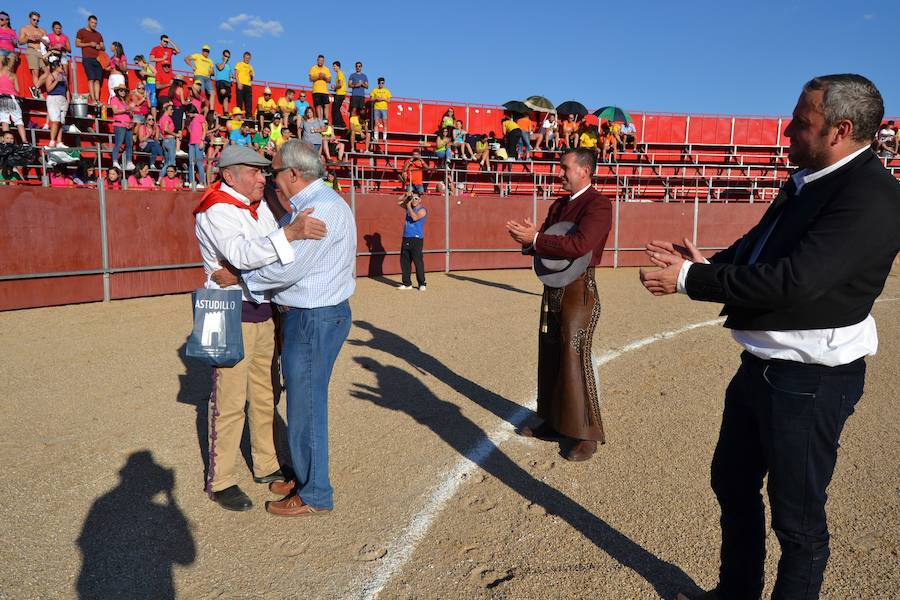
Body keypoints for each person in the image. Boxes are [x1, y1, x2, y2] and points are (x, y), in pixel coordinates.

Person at [636, 75, 900, 600]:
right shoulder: (810, 179)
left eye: (802, 123)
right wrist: (707, 263)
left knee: (798, 522)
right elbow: (757, 247)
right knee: (731, 482)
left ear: (839, 131)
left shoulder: (874, 197)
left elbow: (794, 281)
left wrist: (690, 280)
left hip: (812, 378)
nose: (786, 130)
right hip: (763, 367)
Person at [211, 140, 357, 517]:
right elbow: (279, 255)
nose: (270, 180)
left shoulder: (317, 208)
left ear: (293, 174)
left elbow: (285, 269)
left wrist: (241, 278)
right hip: (315, 315)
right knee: (302, 401)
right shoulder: (319, 204)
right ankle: (308, 479)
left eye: (273, 172)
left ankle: (315, 494)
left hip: (311, 317)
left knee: (306, 406)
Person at [193, 144, 328, 511]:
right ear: (229, 176)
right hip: (227, 312)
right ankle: (221, 480)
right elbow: (245, 255)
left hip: (259, 308)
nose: (262, 178)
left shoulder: (255, 208)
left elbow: (256, 259)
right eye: (253, 172)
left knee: (266, 392)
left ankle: (266, 464)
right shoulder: (216, 209)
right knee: (230, 400)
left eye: (262, 171)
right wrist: (287, 237)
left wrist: (246, 267)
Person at [506, 148, 613, 462]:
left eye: (564, 168)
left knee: (575, 356)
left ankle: (587, 434)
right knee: (551, 353)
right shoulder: (559, 204)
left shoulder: (598, 204)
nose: (560, 173)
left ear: (583, 170)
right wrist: (527, 241)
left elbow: (579, 245)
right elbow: (547, 245)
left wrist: (536, 238)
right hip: (553, 289)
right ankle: (555, 422)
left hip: (580, 289)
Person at [37, 56, 70, 148]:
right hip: (53, 98)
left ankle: (59, 142)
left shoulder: (64, 77)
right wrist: (56, 81)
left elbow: (67, 90)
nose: (62, 67)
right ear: (55, 67)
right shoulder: (50, 76)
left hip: (63, 100)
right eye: (60, 66)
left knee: (61, 122)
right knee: (55, 121)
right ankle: (52, 141)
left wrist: (68, 100)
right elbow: (49, 89)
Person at [398, 193, 427, 291]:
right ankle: (407, 283)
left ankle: (422, 283)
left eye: (416, 198)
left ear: (420, 200)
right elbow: (398, 202)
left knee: (418, 262)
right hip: (406, 237)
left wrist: (408, 206)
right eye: (413, 198)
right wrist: (406, 195)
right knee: (405, 262)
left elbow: (414, 217)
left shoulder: (422, 210)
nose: (414, 200)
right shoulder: (408, 207)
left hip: (416, 238)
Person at [75, 14, 105, 105]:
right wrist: (89, 44)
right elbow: (77, 44)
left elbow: (103, 47)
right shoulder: (81, 31)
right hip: (87, 58)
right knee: (91, 78)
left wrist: (100, 46)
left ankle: (97, 99)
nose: (94, 24)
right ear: (88, 22)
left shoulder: (98, 34)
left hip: (98, 59)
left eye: (95, 23)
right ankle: (93, 99)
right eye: (92, 22)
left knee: (97, 80)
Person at [18, 11, 46, 98]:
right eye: (34, 19)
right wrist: (28, 37)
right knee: (35, 72)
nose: (36, 22)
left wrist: (41, 39)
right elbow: (20, 42)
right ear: (30, 19)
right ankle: (38, 92)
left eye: (37, 20)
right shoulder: (24, 28)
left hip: (42, 52)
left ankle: (35, 88)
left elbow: (48, 43)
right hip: (31, 50)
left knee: (47, 72)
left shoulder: (42, 30)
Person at [109, 83, 135, 171]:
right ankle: (115, 161)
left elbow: (130, 114)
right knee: (118, 143)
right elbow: (115, 111)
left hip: (128, 125)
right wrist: (126, 109)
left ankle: (129, 161)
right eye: (121, 90)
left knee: (129, 144)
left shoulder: (126, 101)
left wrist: (131, 113)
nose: (123, 92)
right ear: (117, 91)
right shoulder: (114, 99)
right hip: (119, 124)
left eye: (125, 91)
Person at [185, 44, 215, 111]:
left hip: (207, 78)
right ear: (202, 51)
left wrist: (211, 71)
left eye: (207, 51)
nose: (206, 52)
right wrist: (192, 66)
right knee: (202, 92)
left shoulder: (210, 60)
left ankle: (211, 110)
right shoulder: (197, 56)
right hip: (199, 76)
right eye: (205, 50)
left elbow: (213, 72)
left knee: (213, 93)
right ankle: (201, 108)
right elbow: (186, 58)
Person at [186, 105, 207, 189]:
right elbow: (191, 131)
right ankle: (192, 181)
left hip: (198, 142)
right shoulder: (191, 120)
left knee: (199, 163)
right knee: (191, 163)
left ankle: (202, 182)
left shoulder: (200, 117)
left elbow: (204, 129)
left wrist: (202, 140)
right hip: (191, 143)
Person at [370, 77, 391, 149]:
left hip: (384, 108)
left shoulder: (387, 91)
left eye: (383, 83)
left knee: (384, 123)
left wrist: (383, 98)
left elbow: (389, 100)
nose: (381, 84)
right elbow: (371, 99)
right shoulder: (375, 90)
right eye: (380, 83)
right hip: (376, 108)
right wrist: (376, 98)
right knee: (376, 123)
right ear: (378, 83)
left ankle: (384, 138)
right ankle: (376, 138)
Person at [308, 54, 331, 120]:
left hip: (325, 91)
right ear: (317, 60)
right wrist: (318, 76)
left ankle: (326, 120)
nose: (321, 61)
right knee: (318, 106)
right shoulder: (313, 68)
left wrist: (324, 77)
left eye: (322, 60)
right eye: (319, 60)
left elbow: (329, 80)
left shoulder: (326, 69)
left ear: (324, 61)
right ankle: (320, 120)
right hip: (316, 90)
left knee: (326, 105)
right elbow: (310, 79)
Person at [234, 52, 254, 118]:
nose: (247, 59)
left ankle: (249, 117)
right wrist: (238, 83)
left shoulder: (250, 66)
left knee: (248, 103)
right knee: (239, 102)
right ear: (243, 57)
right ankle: (239, 116)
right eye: (246, 58)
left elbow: (252, 77)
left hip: (248, 86)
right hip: (241, 85)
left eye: (248, 58)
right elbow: (236, 74)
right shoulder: (239, 64)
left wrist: (251, 76)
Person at [215, 49, 233, 114]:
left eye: (228, 57)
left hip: (227, 82)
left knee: (226, 98)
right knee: (223, 92)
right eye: (225, 56)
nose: (227, 58)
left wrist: (231, 78)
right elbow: (220, 68)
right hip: (220, 81)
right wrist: (224, 61)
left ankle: (226, 112)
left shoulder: (229, 66)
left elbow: (231, 75)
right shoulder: (218, 61)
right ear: (223, 55)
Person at [330, 61, 346, 129]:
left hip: (340, 94)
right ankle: (341, 123)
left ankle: (339, 124)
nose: (333, 68)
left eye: (334, 66)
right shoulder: (339, 74)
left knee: (335, 109)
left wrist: (334, 87)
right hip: (340, 93)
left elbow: (340, 84)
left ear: (338, 66)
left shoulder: (340, 73)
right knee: (336, 109)